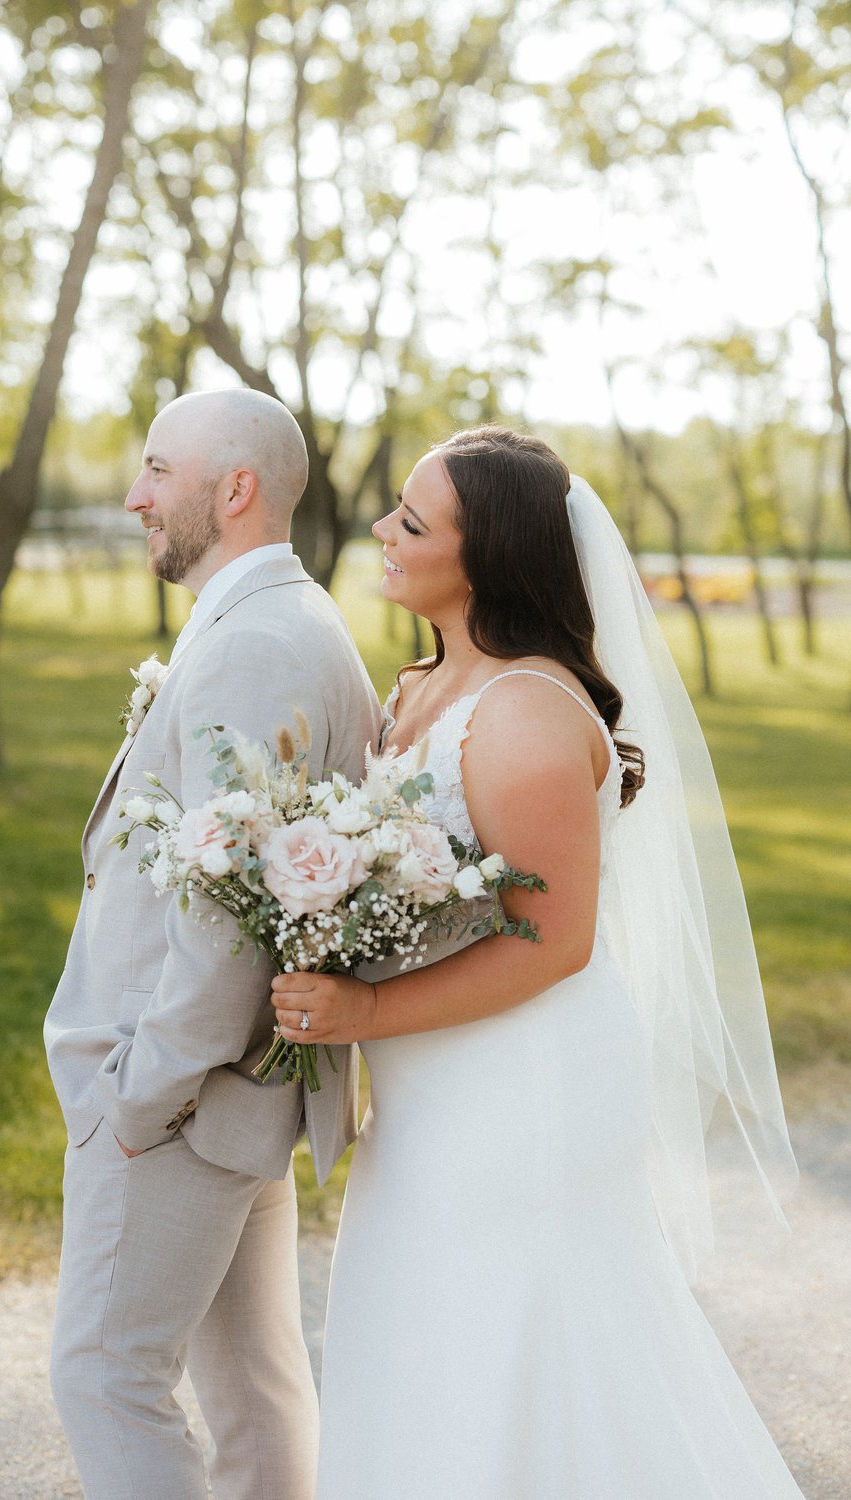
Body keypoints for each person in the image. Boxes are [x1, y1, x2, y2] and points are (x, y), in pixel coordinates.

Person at [272, 426, 804, 1498]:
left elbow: (551, 942)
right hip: (435, 1084)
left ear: (493, 557)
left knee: (519, 1336)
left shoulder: (521, 711)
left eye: (412, 522)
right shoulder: (422, 682)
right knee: (426, 1324)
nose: (382, 529)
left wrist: (361, 1014)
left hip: (524, 1087)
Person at [44, 387, 382, 1500]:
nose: (135, 493)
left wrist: (144, 1094)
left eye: (156, 470)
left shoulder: (260, 642)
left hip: (185, 1096)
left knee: (105, 1373)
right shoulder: (273, 619)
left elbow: (224, 911)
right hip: (226, 1095)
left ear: (233, 490)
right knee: (253, 1387)